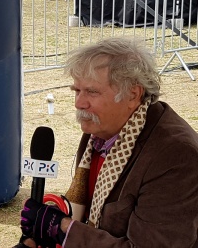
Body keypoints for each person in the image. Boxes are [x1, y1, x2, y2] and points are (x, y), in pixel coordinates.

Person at [15, 37, 198, 247]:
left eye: (92, 91)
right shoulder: (99, 132)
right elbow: (93, 209)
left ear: (133, 94)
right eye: (77, 90)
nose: (79, 103)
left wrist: (64, 228)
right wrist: (51, 224)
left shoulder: (175, 156)